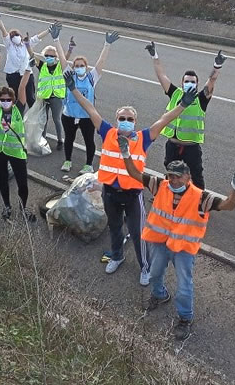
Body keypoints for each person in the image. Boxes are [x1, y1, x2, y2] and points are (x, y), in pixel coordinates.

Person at [65, 71, 195, 285]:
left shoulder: (144, 138)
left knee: (138, 233)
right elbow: (90, 108)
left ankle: (145, 267)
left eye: (130, 119)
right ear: (116, 120)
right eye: (122, 118)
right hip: (110, 194)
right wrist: (73, 89)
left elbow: (165, 119)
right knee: (115, 228)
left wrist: (182, 105)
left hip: (133, 195)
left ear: (135, 121)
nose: (125, 121)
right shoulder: (107, 132)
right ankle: (117, 256)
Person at [139, 160, 235, 341]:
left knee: (184, 286)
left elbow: (228, 205)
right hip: (160, 242)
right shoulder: (161, 185)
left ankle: (185, 318)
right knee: (154, 274)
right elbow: (135, 174)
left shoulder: (201, 198)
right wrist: (126, 154)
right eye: (171, 176)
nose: (174, 180)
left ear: (188, 177)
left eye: (178, 176)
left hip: (183, 249)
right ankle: (159, 295)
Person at [145, 41, 227, 190]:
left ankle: (200, 202)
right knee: (170, 174)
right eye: (187, 81)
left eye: (193, 82)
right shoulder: (175, 93)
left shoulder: (202, 98)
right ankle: (167, 196)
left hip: (191, 147)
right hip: (173, 144)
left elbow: (212, 80)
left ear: (197, 84)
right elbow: (160, 74)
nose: (190, 83)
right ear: (182, 83)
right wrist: (154, 55)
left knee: (196, 176)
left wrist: (217, 66)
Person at [55, 27, 120, 175]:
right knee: (69, 139)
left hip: (86, 117)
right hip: (69, 115)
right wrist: (56, 40)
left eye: (81, 65)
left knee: (89, 141)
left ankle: (88, 164)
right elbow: (61, 58)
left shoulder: (92, 77)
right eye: (76, 66)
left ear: (86, 67)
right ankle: (67, 160)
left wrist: (107, 45)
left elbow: (101, 61)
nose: (79, 68)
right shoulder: (69, 75)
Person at [0, 64, 35, 222]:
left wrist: (28, 69)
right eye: (2, 100)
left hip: (16, 152)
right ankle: (7, 206)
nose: (5, 102)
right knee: (3, 178)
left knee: (22, 182)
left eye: (8, 99)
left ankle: (23, 207)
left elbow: (22, 87)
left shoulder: (18, 109)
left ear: (13, 100)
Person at [0, 7, 49, 110]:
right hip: (13, 75)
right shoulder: (9, 45)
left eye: (17, 35)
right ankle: (18, 119)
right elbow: (4, 31)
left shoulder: (26, 44)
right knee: (16, 99)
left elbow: (38, 37)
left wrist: (49, 30)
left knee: (30, 98)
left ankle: (34, 118)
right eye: (13, 35)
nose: (15, 37)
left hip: (26, 74)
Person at [35, 38, 66, 152]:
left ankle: (60, 140)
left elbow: (64, 57)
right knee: (43, 119)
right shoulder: (42, 65)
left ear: (56, 57)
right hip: (44, 96)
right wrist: (28, 44)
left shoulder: (59, 66)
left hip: (56, 97)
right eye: (47, 55)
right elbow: (31, 55)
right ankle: (43, 140)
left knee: (56, 119)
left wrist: (70, 49)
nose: (49, 57)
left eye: (52, 55)